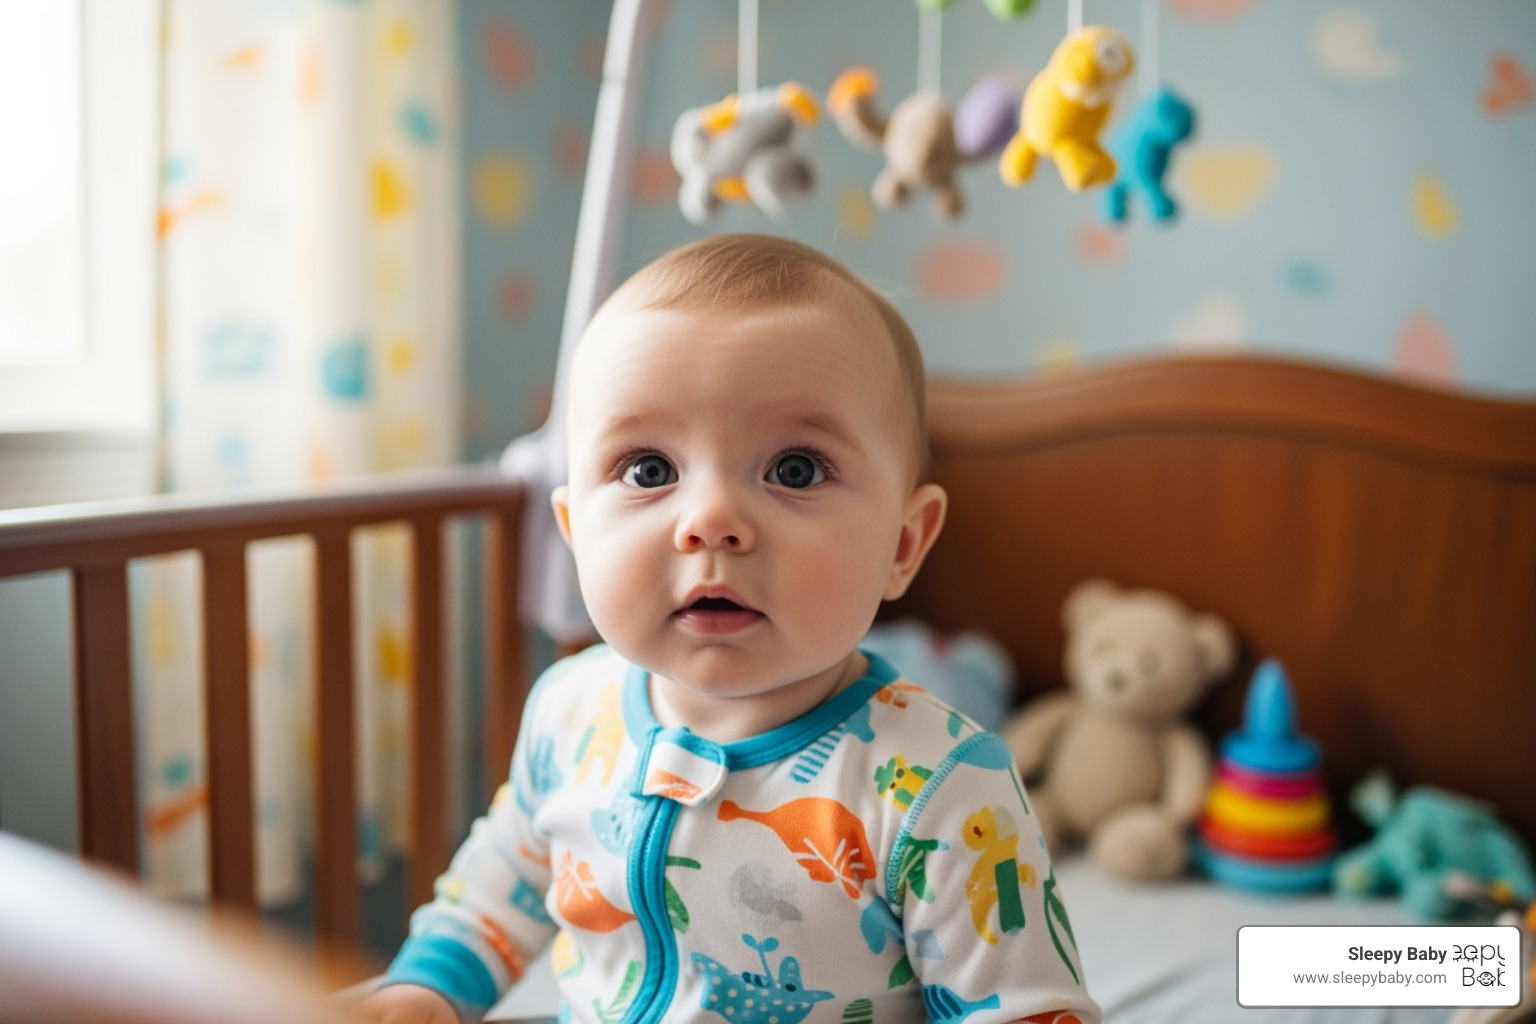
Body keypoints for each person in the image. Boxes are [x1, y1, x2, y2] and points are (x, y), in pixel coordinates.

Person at [361, 234, 1099, 1024]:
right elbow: (505, 880)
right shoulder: (570, 712)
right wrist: (423, 992)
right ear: (574, 532)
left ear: (903, 544)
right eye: (649, 470)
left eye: (795, 469)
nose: (711, 521)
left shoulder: (938, 785)